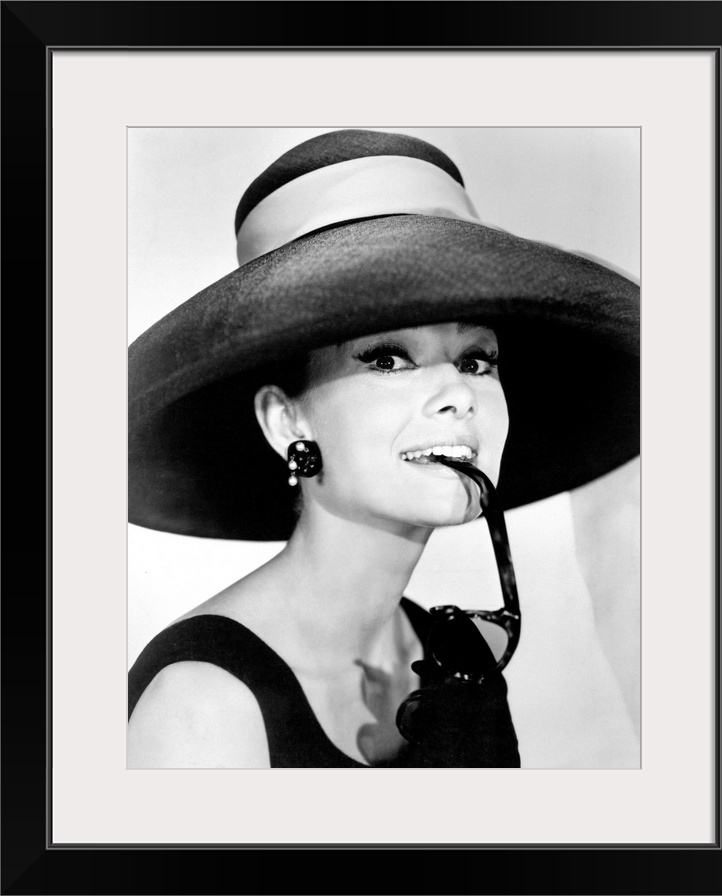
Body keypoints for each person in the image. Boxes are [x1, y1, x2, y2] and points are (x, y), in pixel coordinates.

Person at [127, 129, 640, 768]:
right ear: (286, 421)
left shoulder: (460, 659)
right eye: (389, 359)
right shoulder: (201, 711)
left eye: (477, 359)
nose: (458, 393)